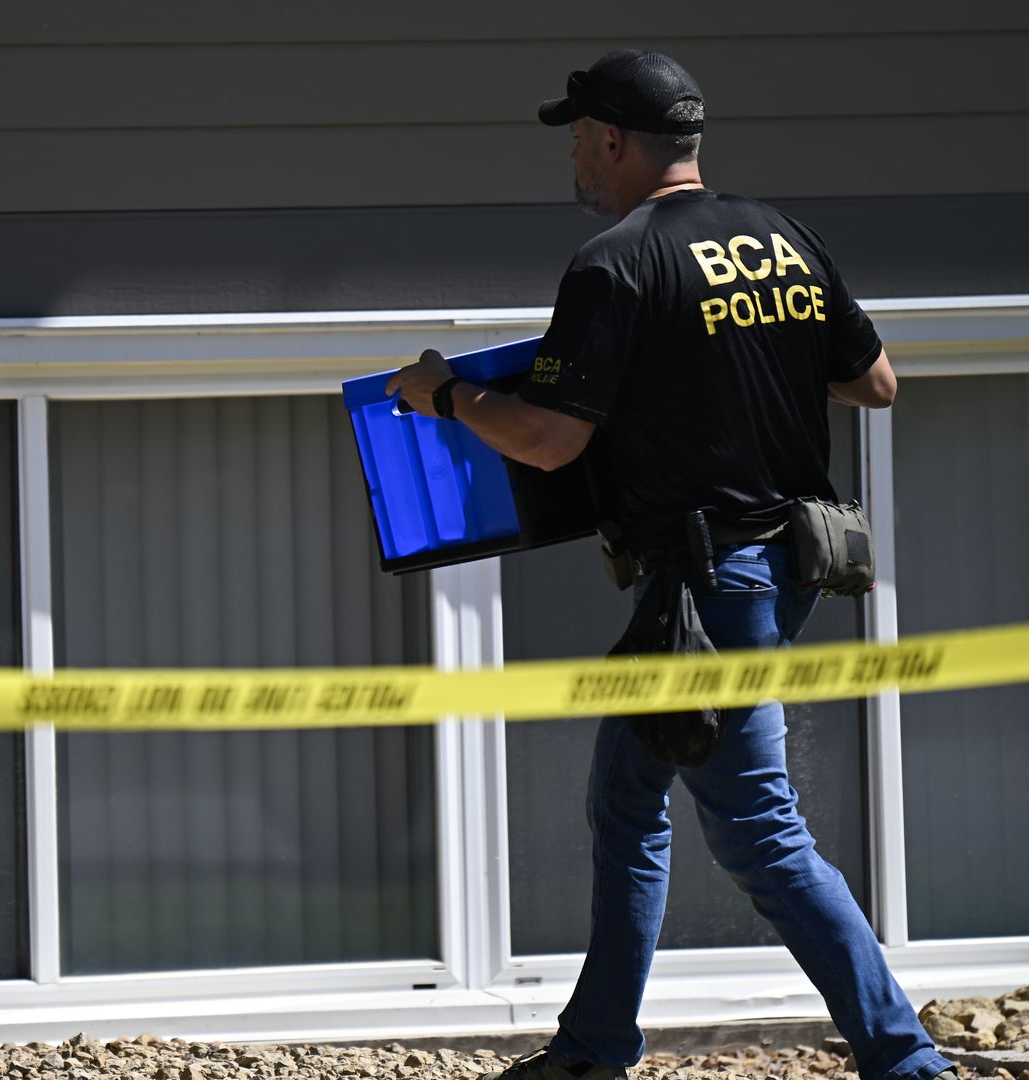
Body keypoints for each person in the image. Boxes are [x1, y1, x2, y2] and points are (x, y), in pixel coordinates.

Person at [385, 50, 956, 1080]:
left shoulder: (615, 262)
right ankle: (594, 1047)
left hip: (712, 586)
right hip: (779, 567)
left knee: (760, 834)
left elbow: (548, 442)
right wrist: (741, 373)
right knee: (626, 798)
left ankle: (910, 1063)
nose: (575, 159)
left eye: (578, 139)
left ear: (613, 140)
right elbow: (874, 382)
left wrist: (444, 396)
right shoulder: (783, 236)